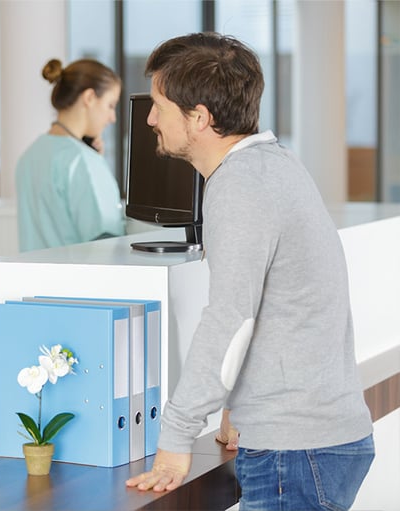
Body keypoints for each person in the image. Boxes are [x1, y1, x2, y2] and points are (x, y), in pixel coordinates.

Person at [125, 33, 374, 510]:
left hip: (297, 452)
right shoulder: (270, 164)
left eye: (159, 105)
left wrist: (175, 438)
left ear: (199, 118)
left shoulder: (241, 187)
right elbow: (280, 305)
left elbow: (231, 320)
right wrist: (237, 406)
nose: (151, 118)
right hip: (314, 441)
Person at [15, 58, 125, 252]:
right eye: (110, 105)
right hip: (76, 280)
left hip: (33, 280)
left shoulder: (29, 156)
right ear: (89, 97)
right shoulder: (83, 160)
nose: (112, 118)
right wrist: (94, 162)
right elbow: (106, 242)